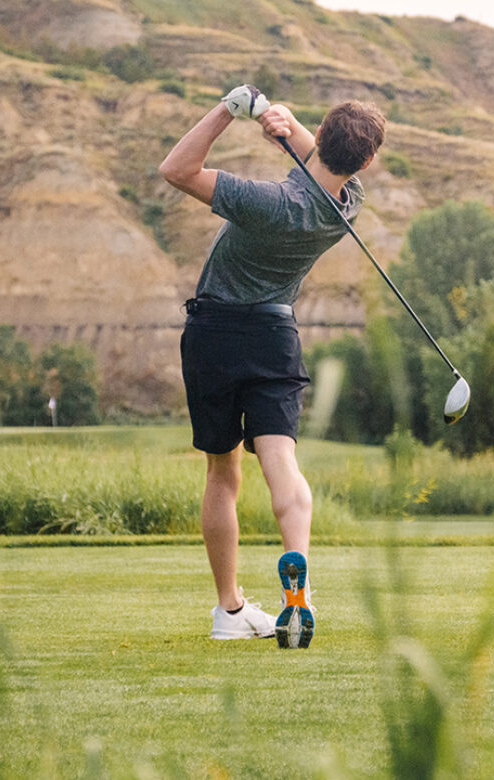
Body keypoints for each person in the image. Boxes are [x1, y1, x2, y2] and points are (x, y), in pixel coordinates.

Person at [159, 86, 385, 649]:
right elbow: (330, 158)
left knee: (222, 474)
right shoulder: (346, 207)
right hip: (274, 335)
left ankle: (229, 609)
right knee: (281, 459)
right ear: (368, 162)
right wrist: (278, 119)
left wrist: (231, 110)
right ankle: (298, 583)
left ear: (322, 136)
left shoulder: (264, 200)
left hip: (214, 333)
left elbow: (176, 169)